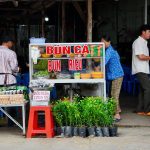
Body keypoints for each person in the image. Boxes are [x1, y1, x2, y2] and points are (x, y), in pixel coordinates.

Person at [101, 35, 124, 121]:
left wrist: (98, 67)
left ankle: (117, 114)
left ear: (108, 42)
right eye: (101, 41)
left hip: (117, 75)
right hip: (116, 75)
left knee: (114, 95)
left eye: (103, 42)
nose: (102, 43)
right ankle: (118, 109)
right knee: (113, 93)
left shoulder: (109, 50)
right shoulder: (112, 50)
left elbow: (104, 61)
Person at [132, 24, 150, 115]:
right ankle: (147, 110)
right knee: (148, 88)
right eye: (149, 32)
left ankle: (139, 109)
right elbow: (140, 56)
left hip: (143, 69)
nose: (149, 34)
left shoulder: (143, 42)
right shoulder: (138, 42)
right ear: (143, 32)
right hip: (140, 69)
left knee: (143, 89)